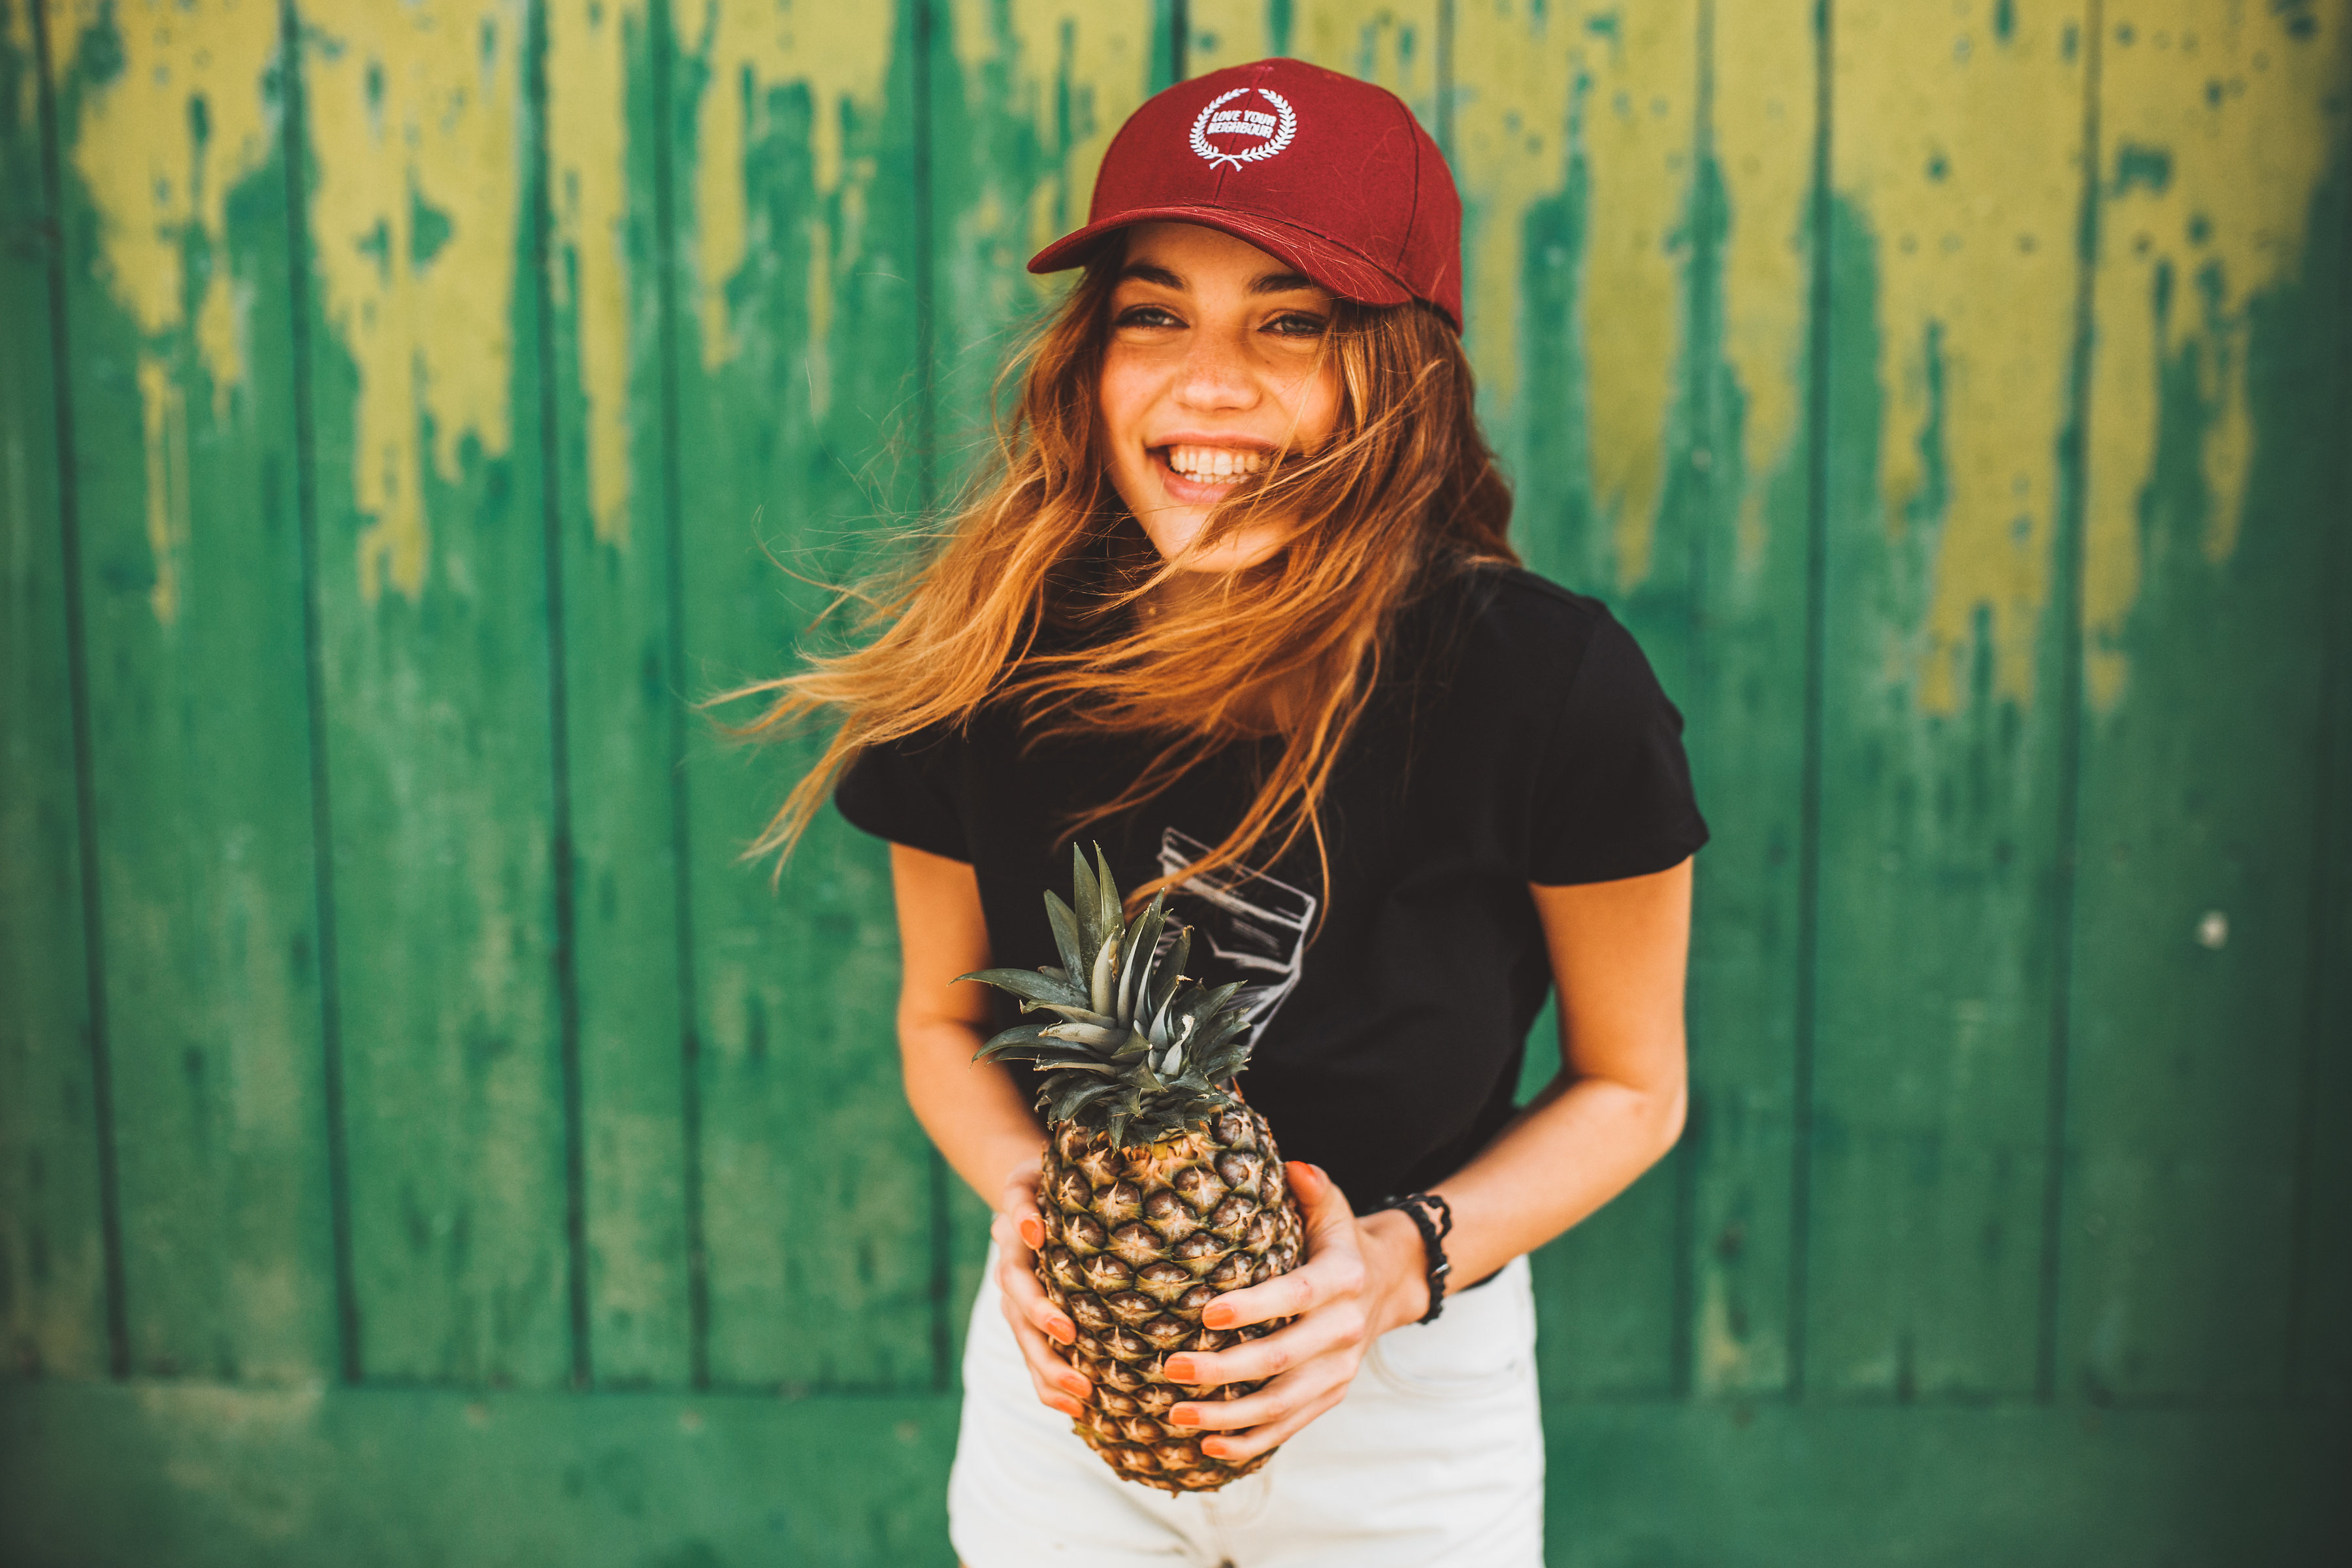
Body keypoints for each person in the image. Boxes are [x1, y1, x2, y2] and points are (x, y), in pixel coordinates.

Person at [735, 57, 1705, 1568]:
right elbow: (941, 1025)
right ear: (1091, 361)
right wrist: (1043, 1219)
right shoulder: (989, 659)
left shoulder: (1554, 689)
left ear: (1401, 375)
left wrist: (1391, 1268)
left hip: (1412, 1380)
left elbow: (1636, 1088)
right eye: (1155, 314)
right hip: (1068, 1384)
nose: (1205, 385)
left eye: (1289, 322)